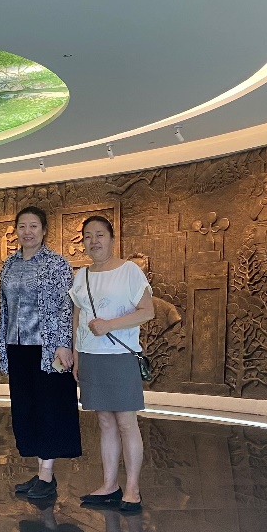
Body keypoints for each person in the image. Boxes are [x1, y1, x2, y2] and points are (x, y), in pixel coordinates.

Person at [71, 216, 153, 513]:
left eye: (100, 235)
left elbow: (147, 311)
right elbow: (77, 318)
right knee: (104, 421)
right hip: (90, 356)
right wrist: (76, 355)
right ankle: (109, 484)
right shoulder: (81, 275)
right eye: (88, 236)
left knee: (126, 422)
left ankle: (132, 488)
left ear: (112, 238)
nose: (94, 241)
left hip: (120, 356)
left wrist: (110, 325)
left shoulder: (130, 271)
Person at [0, 206, 79, 500]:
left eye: (33, 226)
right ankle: (40, 470)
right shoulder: (9, 264)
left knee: (49, 407)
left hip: (48, 349)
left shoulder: (57, 264)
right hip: (17, 346)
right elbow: (4, 307)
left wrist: (63, 344)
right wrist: (2, 345)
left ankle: (47, 475)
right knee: (27, 408)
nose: (27, 232)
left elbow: (65, 306)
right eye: (22, 226)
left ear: (44, 230)